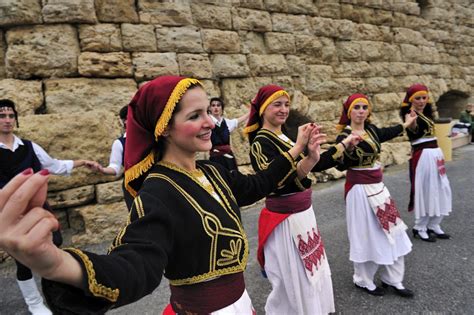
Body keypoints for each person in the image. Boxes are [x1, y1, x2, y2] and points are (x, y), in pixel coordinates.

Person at [0, 76, 323, 314]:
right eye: (194, 115)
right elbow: (137, 261)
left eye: (207, 112)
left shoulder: (213, 171)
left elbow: (258, 185)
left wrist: (300, 155)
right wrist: (59, 265)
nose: (210, 122)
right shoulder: (159, 191)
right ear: (163, 128)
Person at [245, 84, 360, 314]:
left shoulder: (285, 137)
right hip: (285, 218)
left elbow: (309, 166)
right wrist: (302, 151)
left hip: (303, 214)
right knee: (294, 276)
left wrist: (333, 148)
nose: (283, 109)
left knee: (312, 269)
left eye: (286, 104)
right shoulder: (261, 142)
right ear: (263, 109)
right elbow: (276, 181)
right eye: (277, 104)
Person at [0, 99, 98, 315]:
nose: (7, 120)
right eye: (2, 116)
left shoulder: (30, 147)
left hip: (38, 209)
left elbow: (54, 165)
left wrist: (81, 162)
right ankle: (34, 304)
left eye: (10, 115)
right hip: (10, 215)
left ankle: (58, 293)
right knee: (23, 260)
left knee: (54, 245)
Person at [335, 93, 417, 298]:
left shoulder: (371, 129)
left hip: (378, 188)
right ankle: (363, 280)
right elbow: (339, 164)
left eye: (364, 107)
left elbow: (386, 132)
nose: (361, 111)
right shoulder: (342, 137)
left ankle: (394, 279)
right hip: (359, 191)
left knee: (394, 231)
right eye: (357, 107)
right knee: (365, 235)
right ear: (348, 111)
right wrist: (348, 149)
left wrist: (406, 124)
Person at [400, 83, 453, 242]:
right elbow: (414, 129)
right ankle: (420, 226)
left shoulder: (427, 115)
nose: (421, 101)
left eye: (424, 97)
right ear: (411, 100)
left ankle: (434, 224)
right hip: (423, 156)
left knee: (440, 187)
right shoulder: (411, 115)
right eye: (418, 98)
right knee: (425, 189)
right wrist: (412, 122)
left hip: (434, 154)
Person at [208, 97, 250, 171]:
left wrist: (251, 111)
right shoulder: (207, 123)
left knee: (233, 178)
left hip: (229, 157)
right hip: (216, 158)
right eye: (213, 105)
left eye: (218, 105)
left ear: (222, 108)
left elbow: (239, 120)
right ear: (210, 108)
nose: (216, 108)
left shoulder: (227, 122)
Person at [95, 105, 128, 177]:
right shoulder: (119, 143)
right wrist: (102, 169)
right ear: (125, 121)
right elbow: (114, 167)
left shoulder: (150, 135)